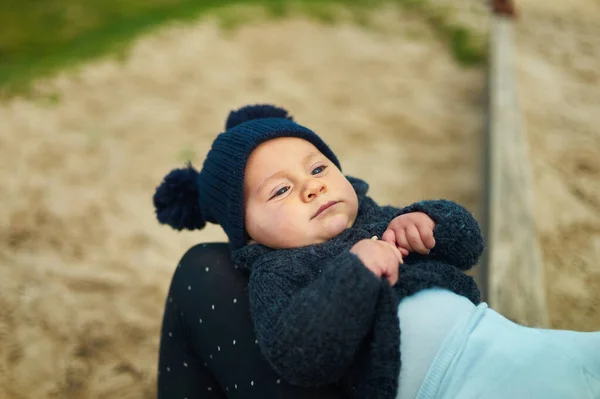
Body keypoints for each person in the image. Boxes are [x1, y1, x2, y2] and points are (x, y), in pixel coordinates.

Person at [154, 104, 600, 399]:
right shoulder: (276, 273)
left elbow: (469, 245)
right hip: (456, 383)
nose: (312, 186)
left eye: (318, 167)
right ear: (249, 235)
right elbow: (299, 354)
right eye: (282, 190)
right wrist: (356, 272)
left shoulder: (379, 218)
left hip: (506, 338)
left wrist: (429, 222)